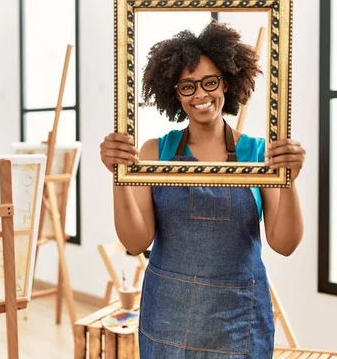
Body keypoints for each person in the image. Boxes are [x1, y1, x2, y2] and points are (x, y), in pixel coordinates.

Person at [100, 20, 305, 358]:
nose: (200, 94)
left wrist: (290, 180)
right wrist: (118, 174)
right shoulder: (154, 153)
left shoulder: (257, 155)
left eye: (210, 82)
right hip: (168, 318)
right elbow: (136, 242)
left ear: (228, 82)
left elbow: (285, 244)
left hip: (238, 321)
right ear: (174, 93)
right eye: (187, 86)